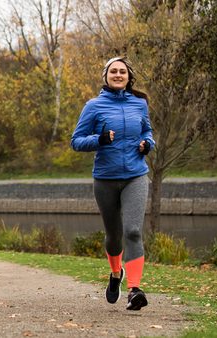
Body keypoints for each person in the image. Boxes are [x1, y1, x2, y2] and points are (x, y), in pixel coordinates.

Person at [70, 56, 155, 311]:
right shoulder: (93, 106)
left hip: (136, 175)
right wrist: (100, 139)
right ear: (106, 76)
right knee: (114, 236)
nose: (118, 75)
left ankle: (135, 290)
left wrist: (148, 144)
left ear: (129, 77)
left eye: (122, 72)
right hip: (105, 179)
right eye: (113, 71)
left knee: (133, 231)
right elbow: (76, 141)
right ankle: (116, 274)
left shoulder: (140, 104)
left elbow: (147, 132)